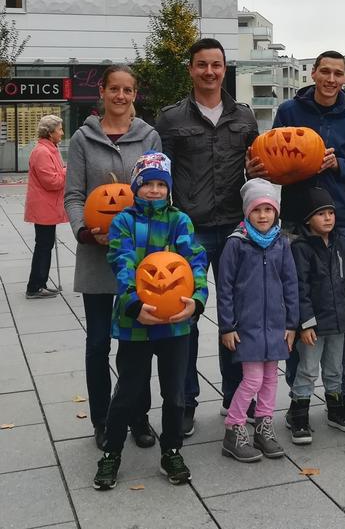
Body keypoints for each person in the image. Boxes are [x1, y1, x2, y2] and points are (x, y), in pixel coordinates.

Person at [248, 50, 345, 422]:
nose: (331, 79)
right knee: (295, 306)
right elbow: (276, 155)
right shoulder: (290, 111)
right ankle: (297, 397)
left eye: (338, 73)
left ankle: (339, 393)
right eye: (325, 71)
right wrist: (259, 169)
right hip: (295, 222)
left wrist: (340, 164)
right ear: (314, 73)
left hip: (340, 223)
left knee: (337, 309)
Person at [155, 38, 259, 436]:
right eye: (202, 65)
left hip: (235, 229)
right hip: (189, 231)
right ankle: (184, 401)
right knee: (186, 317)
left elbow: (256, 171)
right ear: (191, 69)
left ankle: (237, 396)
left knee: (235, 316)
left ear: (224, 68)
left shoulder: (244, 117)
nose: (210, 72)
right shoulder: (170, 119)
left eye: (216, 65)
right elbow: (161, 178)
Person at [92, 151, 208, 490]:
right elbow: (121, 261)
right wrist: (132, 302)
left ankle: (171, 448)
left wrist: (197, 301)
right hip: (135, 322)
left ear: (168, 189)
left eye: (161, 185)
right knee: (127, 391)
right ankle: (111, 453)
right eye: (148, 184)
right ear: (136, 187)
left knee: (174, 394)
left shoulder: (180, 221)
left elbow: (194, 262)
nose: (154, 190)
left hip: (176, 322)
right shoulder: (124, 222)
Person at [65, 65, 160, 450]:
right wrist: (84, 232)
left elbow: (159, 191)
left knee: (136, 342)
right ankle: (103, 419)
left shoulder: (149, 136)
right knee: (99, 342)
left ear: (135, 95)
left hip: (138, 257)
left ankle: (138, 415)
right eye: (114, 89)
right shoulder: (82, 139)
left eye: (128, 90)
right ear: (101, 92)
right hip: (97, 256)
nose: (121, 96)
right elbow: (73, 195)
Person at [217, 179, 299, 462]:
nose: (263, 215)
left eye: (268, 209)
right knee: (252, 379)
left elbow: (291, 284)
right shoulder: (236, 243)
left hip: (276, 325)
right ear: (246, 212)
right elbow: (224, 286)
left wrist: (292, 324)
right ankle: (235, 426)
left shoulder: (281, 243)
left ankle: (264, 426)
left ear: (276, 212)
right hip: (247, 326)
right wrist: (227, 326)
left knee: (270, 379)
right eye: (256, 210)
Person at [288, 188, 345, 445]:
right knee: (308, 369)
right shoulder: (300, 248)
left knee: (335, 368)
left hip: (340, 320)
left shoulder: (342, 243)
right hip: (314, 325)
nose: (328, 218)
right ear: (307, 219)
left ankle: (336, 411)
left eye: (331, 213)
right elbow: (299, 288)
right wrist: (305, 324)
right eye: (321, 214)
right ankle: (299, 415)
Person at [24, 114, 67, 299]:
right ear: (50, 133)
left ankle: (40, 283)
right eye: (59, 129)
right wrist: (68, 171)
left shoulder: (51, 149)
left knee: (45, 245)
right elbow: (53, 182)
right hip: (44, 207)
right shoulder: (42, 152)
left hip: (47, 206)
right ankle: (34, 286)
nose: (62, 133)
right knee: (43, 245)